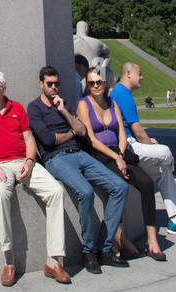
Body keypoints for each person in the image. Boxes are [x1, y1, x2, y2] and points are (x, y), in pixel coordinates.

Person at [0, 69, 70, 286]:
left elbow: (29, 139)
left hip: (22, 163)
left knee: (55, 191)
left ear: (3, 88)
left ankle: (54, 261)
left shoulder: (17, 108)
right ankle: (9, 260)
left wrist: (29, 161)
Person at [26, 66, 129, 272]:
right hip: (57, 159)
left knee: (119, 187)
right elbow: (48, 140)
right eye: (50, 84)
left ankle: (105, 249)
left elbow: (82, 131)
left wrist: (64, 111)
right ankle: (88, 251)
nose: (54, 87)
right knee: (86, 192)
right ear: (41, 84)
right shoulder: (34, 108)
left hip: (79, 154)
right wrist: (71, 133)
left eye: (57, 84)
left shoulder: (65, 104)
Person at [76, 70, 166, 260]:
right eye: (92, 83)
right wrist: (116, 158)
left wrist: (120, 154)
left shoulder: (112, 103)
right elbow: (91, 139)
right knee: (117, 184)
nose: (96, 86)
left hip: (119, 153)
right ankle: (122, 239)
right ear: (87, 85)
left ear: (105, 82)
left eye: (99, 82)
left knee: (146, 183)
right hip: (100, 155)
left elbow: (121, 133)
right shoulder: (84, 105)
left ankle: (152, 240)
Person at [111, 63, 176, 236]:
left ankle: (175, 220)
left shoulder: (120, 92)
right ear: (128, 74)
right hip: (129, 146)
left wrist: (150, 142)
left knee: (163, 171)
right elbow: (136, 130)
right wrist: (151, 145)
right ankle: (175, 166)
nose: (142, 77)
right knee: (165, 152)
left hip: (132, 143)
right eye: (139, 73)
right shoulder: (122, 94)